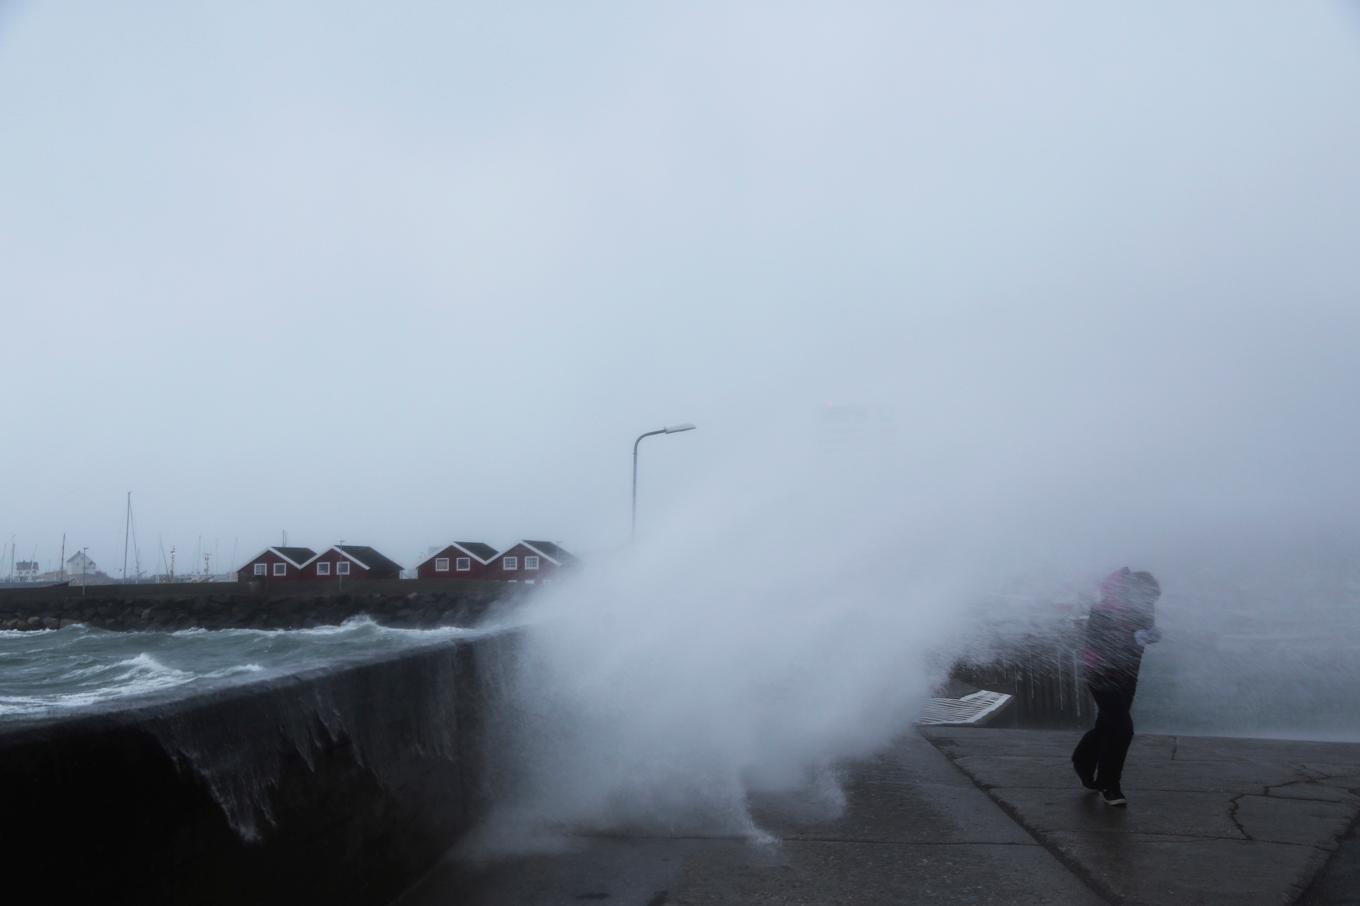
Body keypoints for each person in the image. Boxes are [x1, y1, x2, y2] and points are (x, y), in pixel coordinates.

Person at [1071, 567, 1162, 807]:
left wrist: (1151, 635)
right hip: (1100, 674)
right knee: (1122, 729)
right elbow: (1098, 643)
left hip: (1127, 675)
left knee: (1107, 725)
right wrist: (1134, 638)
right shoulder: (1102, 611)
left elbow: (1142, 634)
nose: (1149, 603)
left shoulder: (1143, 610)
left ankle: (1082, 759)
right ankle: (1110, 785)